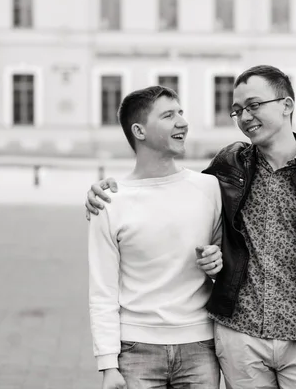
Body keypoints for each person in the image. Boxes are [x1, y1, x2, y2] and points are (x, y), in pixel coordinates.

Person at [86, 65, 296, 389]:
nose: (244, 116)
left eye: (253, 105)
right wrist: (107, 189)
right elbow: (164, 181)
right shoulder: (229, 167)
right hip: (240, 340)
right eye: (237, 110)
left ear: (286, 105)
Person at [87, 85, 224, 389]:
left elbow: (227, 269)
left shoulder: (209, 188)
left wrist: (218, 262)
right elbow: (102, 290)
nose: (182, 122)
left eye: (181, 113)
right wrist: (108, 364)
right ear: (139, 130)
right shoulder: (109, 201)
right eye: (168, 115)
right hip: (135, 349)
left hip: (200, 345)